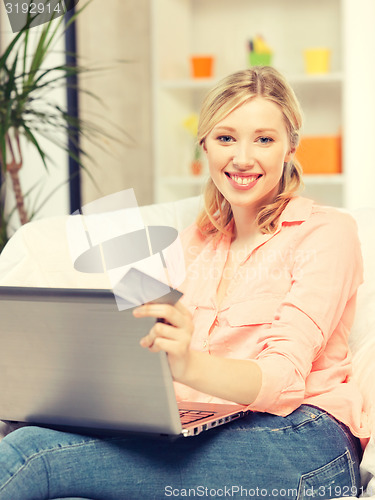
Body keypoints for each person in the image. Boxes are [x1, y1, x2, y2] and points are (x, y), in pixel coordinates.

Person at [0, 66, 370, 499]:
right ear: (205, 146)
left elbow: (281, 379)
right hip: (210, 425)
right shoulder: (196, 242)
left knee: (31, 455)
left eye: (264, 139)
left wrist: (187, 365)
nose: (243, 158)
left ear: (291, 146)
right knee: (32, 431)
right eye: (226, 137)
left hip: (304, 439)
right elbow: (147, 349)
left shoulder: (327, 232)